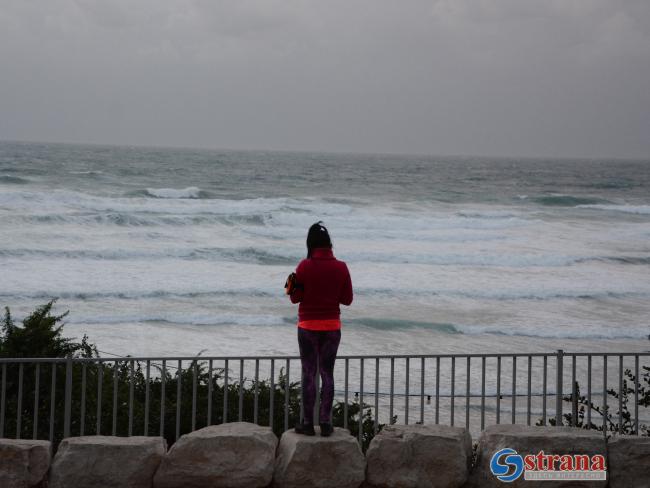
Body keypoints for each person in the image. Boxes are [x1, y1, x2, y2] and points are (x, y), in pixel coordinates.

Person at [285, 221, 353, 436]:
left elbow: (294, 298)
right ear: (329, 244)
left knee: (309, 373)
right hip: (332, 326)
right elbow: (347, 299)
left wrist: (290, 283)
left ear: (310, 243)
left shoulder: (304, 266)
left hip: (307, 326)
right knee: (327, 374)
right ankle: (325, 422)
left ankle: (307, 423)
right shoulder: (341, 267)